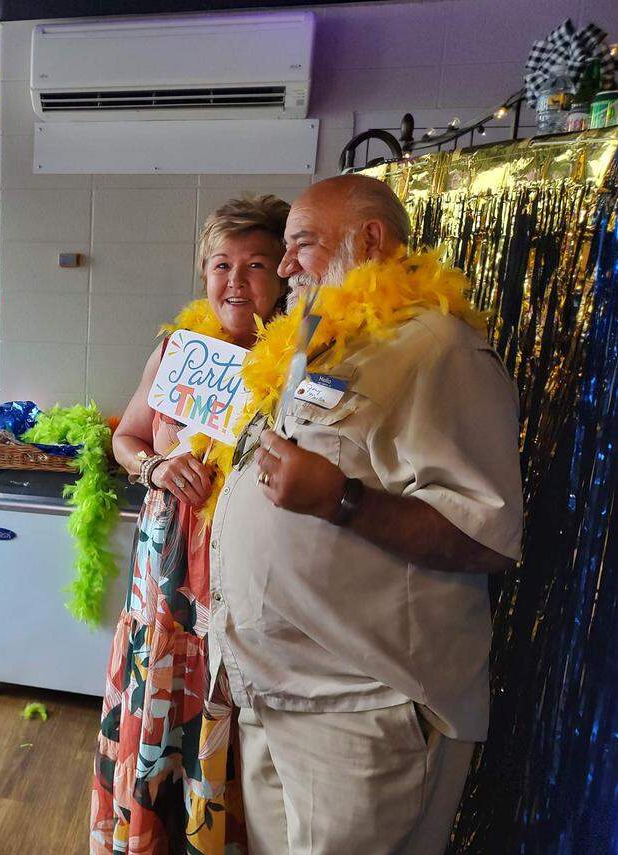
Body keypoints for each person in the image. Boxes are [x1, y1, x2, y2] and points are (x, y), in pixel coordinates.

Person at [209, 175, 524, 854]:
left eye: (301, 245)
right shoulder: (319, 341)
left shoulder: (439, 348)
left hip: (361, 713)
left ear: (370, 239)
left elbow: (488, 538)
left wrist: (340, 500)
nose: (285, 264)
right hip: (274, 694)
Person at [91, 196, 292, 853]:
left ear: (285, 272)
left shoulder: (299, 365)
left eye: (256, 264)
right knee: (159, 720)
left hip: (239, 585)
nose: (235, 280)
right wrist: (153, 467)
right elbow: (125, 437)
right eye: (220, 263)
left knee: (228, 730)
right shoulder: (179, 350)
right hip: (164, 580)